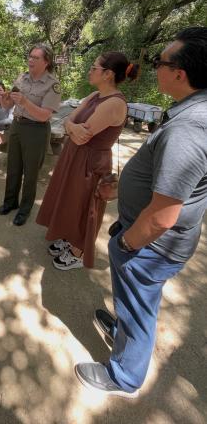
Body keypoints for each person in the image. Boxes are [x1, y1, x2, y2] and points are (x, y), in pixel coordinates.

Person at [75, 27, 207, 398]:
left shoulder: (190, 129)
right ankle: (123, 331)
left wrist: (125, 245)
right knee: (134, 300)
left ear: (179, 74)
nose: (154, 68)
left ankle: (124, 376)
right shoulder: (190, 112)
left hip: (152, 244)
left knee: (139, 302)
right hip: (151, 237)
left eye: (160, 62)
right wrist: (122, 188)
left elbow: (163, 216)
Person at [36, 52, 139, 270]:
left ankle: (79, 250)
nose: (89, 71)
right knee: (70, 199)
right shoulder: (94, 96)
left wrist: (71, 127)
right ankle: (68, 235)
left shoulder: (114, 103)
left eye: (94, 68)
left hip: (91, 161)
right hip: (74, 155)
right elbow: (67, 121)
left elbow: (83, 135)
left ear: (108, 74)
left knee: (85, 204)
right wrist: (72, 127)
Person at [0, 44, 61, 226]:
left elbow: (44, 115)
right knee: (13, 167)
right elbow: (7, 106)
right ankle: (10, 202)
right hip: (17, 126)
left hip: (37, 130)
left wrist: (24, 102)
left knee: (30, 173)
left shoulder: (52, 85)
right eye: (30, 56)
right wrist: (4, 98)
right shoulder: (22, 77)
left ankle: (25, 210)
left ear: (46, 62)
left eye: (35, 58)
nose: (30, 60)